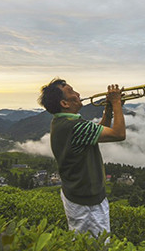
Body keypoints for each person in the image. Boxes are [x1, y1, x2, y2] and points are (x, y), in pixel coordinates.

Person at [38, 78, 126, 238]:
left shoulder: (62, 122)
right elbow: (119, 134)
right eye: (72, 92)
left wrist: (109, 108)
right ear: (64, 103)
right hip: (87, 203)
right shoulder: (75, 127)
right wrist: (117, 103)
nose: (78, 94)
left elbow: (100, 130)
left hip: (76, 195)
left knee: (81, 242)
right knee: (97, 249)